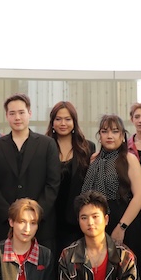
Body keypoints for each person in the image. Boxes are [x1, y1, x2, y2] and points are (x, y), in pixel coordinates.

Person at [0, 94, 61, 253]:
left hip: (41, 224)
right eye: (12, 113)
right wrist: (11, 215)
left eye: (21, 112)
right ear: (6, 116)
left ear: (29, 113)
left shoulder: (47, 144)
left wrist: (35, 215)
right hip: (5, 224)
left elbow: (53, 183)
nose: (17, 117)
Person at [82, 114, 141, 266]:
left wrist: (122, 227)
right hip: (98, 221)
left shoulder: (129, 158)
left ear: (122, 135)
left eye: (115, 131)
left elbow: (140, 196)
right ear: (99, 135)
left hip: (124, 220)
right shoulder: (94, 159)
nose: (109, 136)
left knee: (127, 269)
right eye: (104, 131)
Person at [47, 101, 94, 251]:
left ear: (74, 122)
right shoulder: (43, 146)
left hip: (76, 218)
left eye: (67, 119)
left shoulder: (88, 147)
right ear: (52, 122)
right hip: (49, 217)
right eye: (58, 119)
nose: (63, 123)